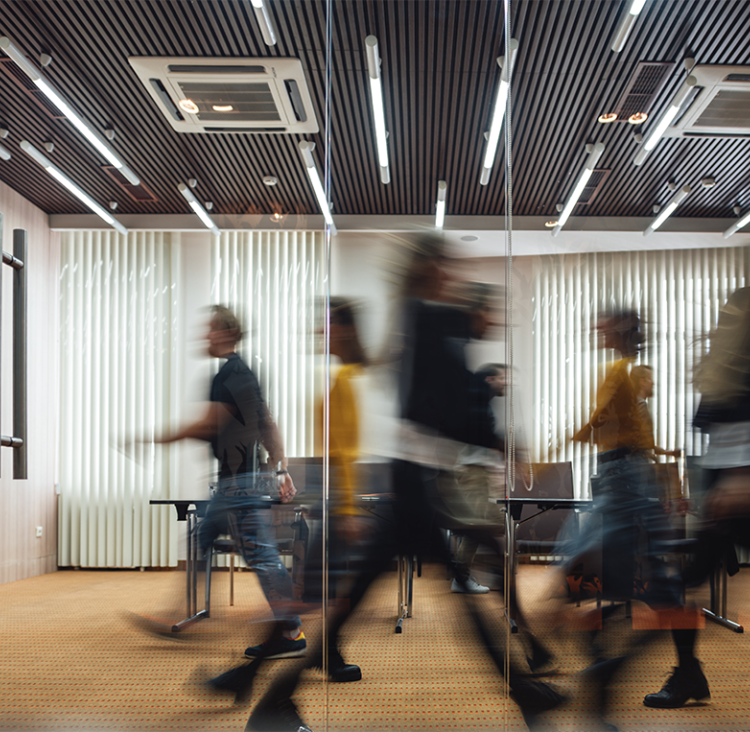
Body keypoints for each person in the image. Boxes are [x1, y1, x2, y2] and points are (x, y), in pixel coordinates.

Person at [243, 235, 565, 732]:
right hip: (413, 481)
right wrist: (501, 442)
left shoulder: (417, 318)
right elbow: (449, 404)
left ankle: (272, 700)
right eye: (445, 264)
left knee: (375, 595)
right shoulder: (422, 317)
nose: (451, 274)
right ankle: (522, 690)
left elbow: (447, 395)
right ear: (427, 268)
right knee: (437, 595)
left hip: (415, 479)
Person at [571, 310, 707, 716]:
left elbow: (600, 424)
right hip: (621, 474)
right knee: (627, 573)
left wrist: (576, 434)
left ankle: (608, 664)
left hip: (622, 476)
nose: (596, 328)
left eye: (605, 323)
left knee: (620, 574)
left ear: (620, 330)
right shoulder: (622, 370)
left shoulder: (621, 370)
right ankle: (680, 670)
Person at [155, 305, 305, 662]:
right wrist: (280, 469)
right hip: (238, 481)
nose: (203, 336)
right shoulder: (243, 373)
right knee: (203, 538)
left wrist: (157, 439)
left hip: (239, 483)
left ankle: (291, 631)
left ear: (224, 332)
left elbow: (208, 424)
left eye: (208, 329)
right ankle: (184, 612)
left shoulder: (229, 375)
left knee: (262, 556)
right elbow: (267, 423)